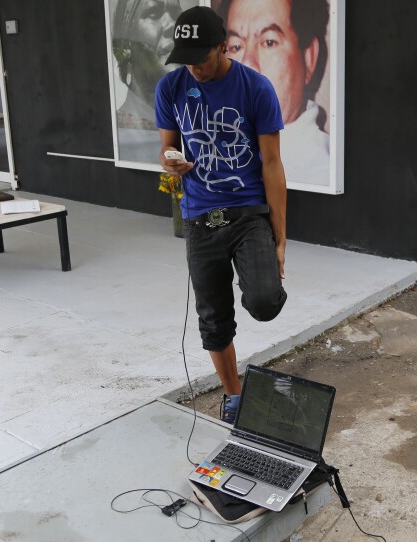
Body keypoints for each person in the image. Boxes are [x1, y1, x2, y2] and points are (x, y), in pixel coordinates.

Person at [155, 6, 288, 423]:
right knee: (213, 320)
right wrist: (170, 162)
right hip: (198, 218)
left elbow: (271, 164)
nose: (193, 66)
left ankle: (261, 272)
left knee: (266, 302)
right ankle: (233, 395)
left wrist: (280, 239)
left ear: (222, 47)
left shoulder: (255, 88)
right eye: (186, 58)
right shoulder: (171, 88)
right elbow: (167, 148)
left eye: (201, 56)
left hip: (247, 213)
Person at [215, 0, 330, 186]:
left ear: (309, 59)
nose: (247, 64)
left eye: (269, 42)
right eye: (236, 46)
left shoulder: (321, 175)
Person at [112, 0, 184, 130]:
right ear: (126, 46)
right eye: (154, 14)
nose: (174, 25)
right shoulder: (113, 133)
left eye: (177, 15)